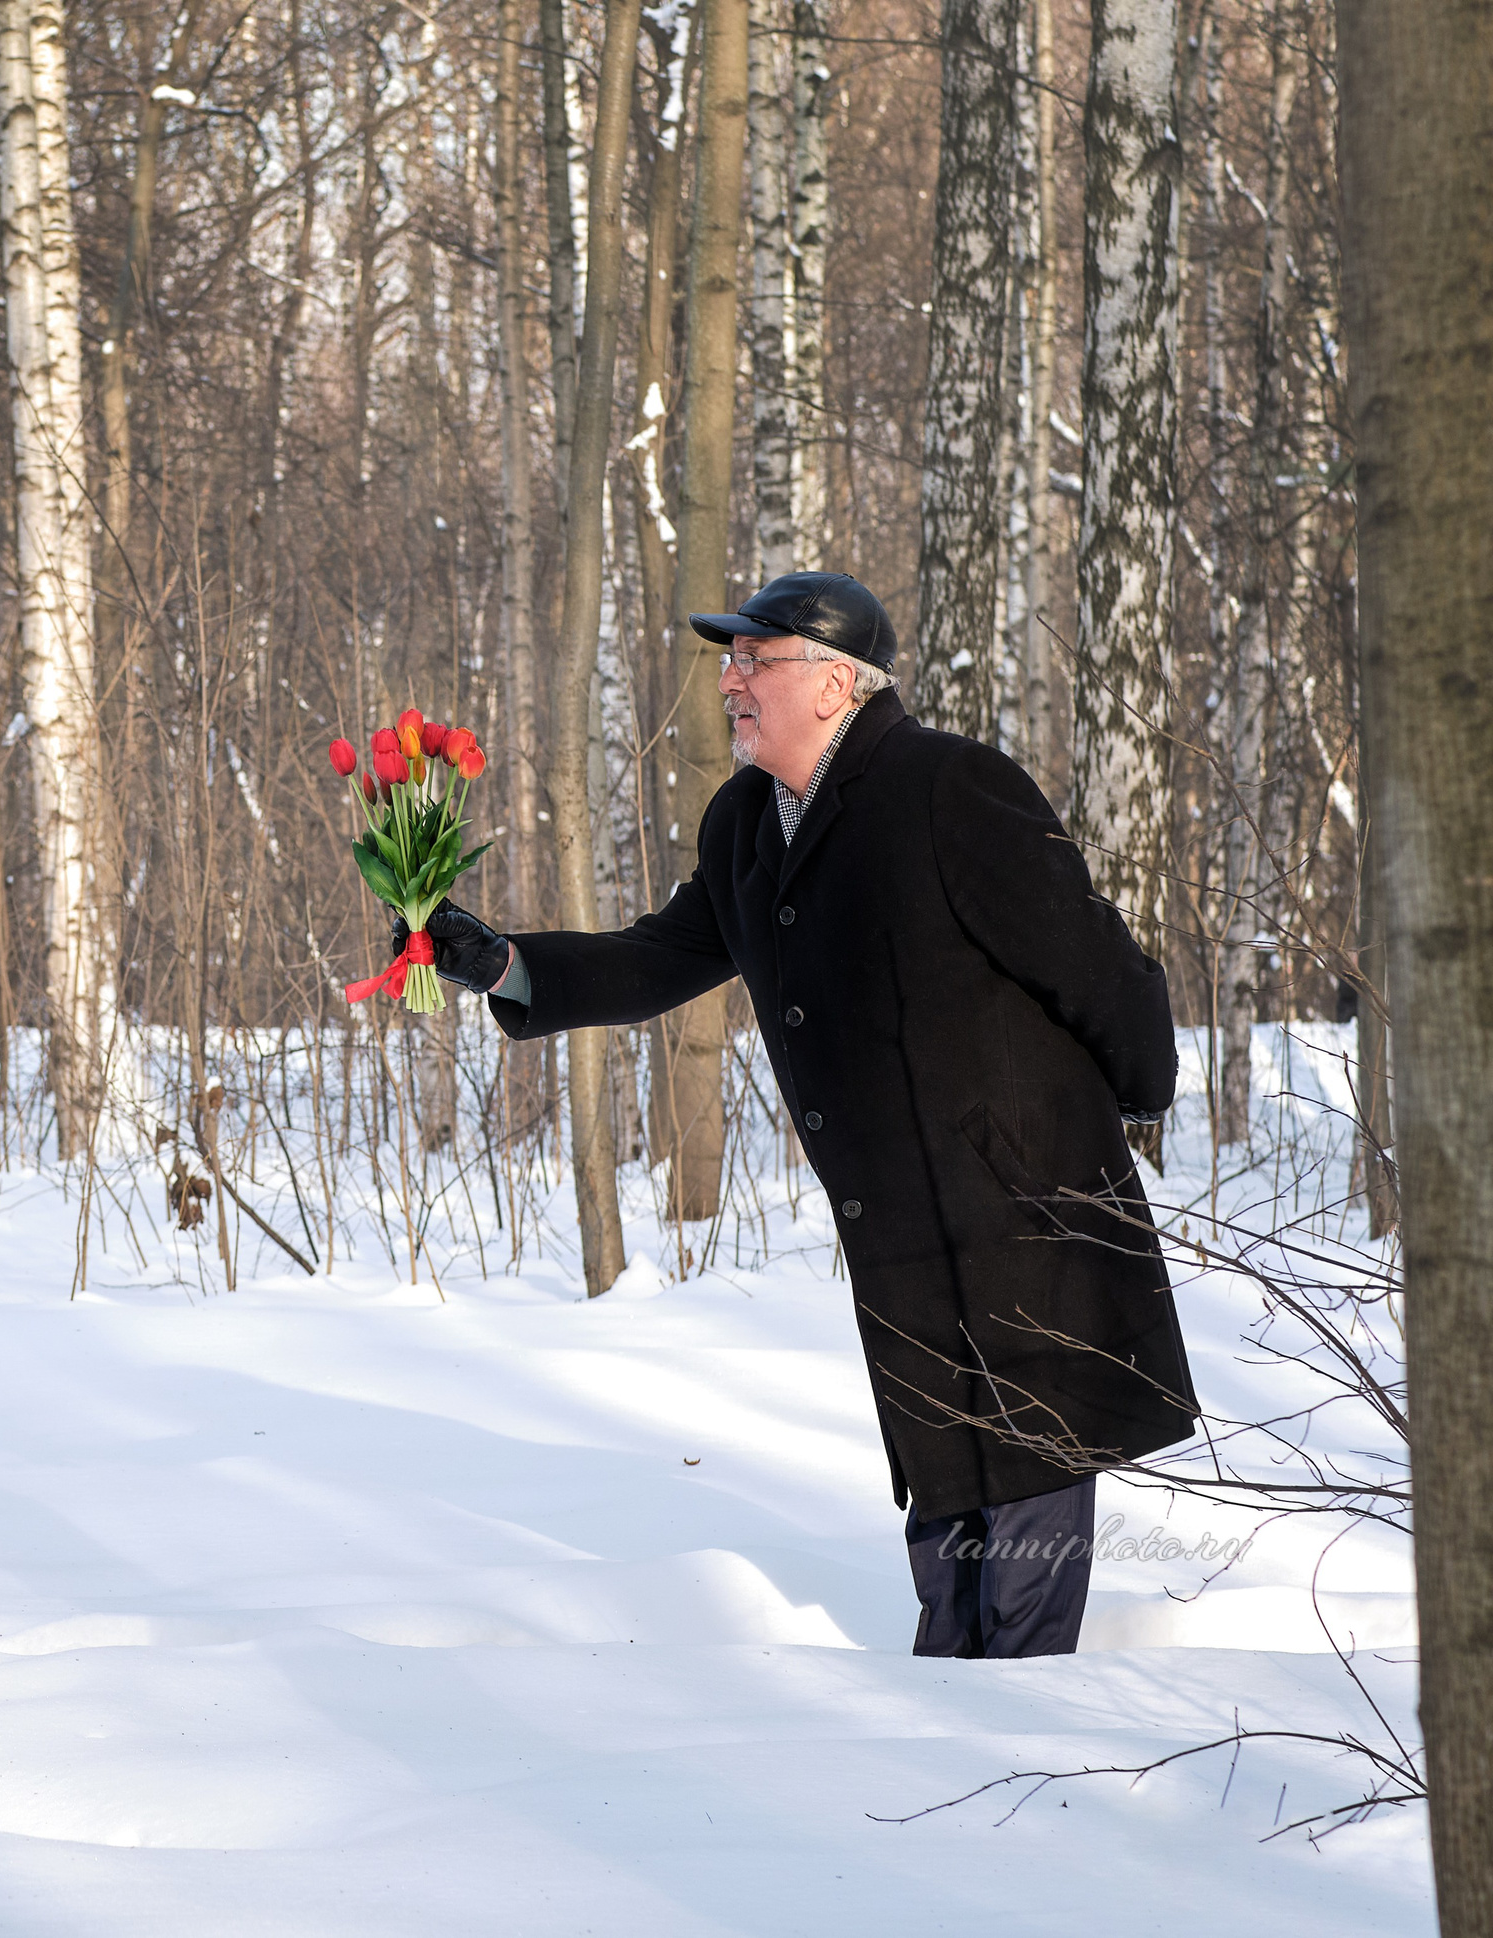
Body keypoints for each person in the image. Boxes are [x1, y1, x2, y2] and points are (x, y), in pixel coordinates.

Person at [401, 571, 1198, 1658]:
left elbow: (1096, 968)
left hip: (1027, 1216)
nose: (729, 682)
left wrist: (1134, 1100)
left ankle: (1010, 1737)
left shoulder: (950, 787)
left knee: (1024, 1528)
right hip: (901, 1238)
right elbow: (658, 957)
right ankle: (953, 1719)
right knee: (948, 1518)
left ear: (833, 684)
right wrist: (503, 965)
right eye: (729, 660)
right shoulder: (745, 824)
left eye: (754, 660)